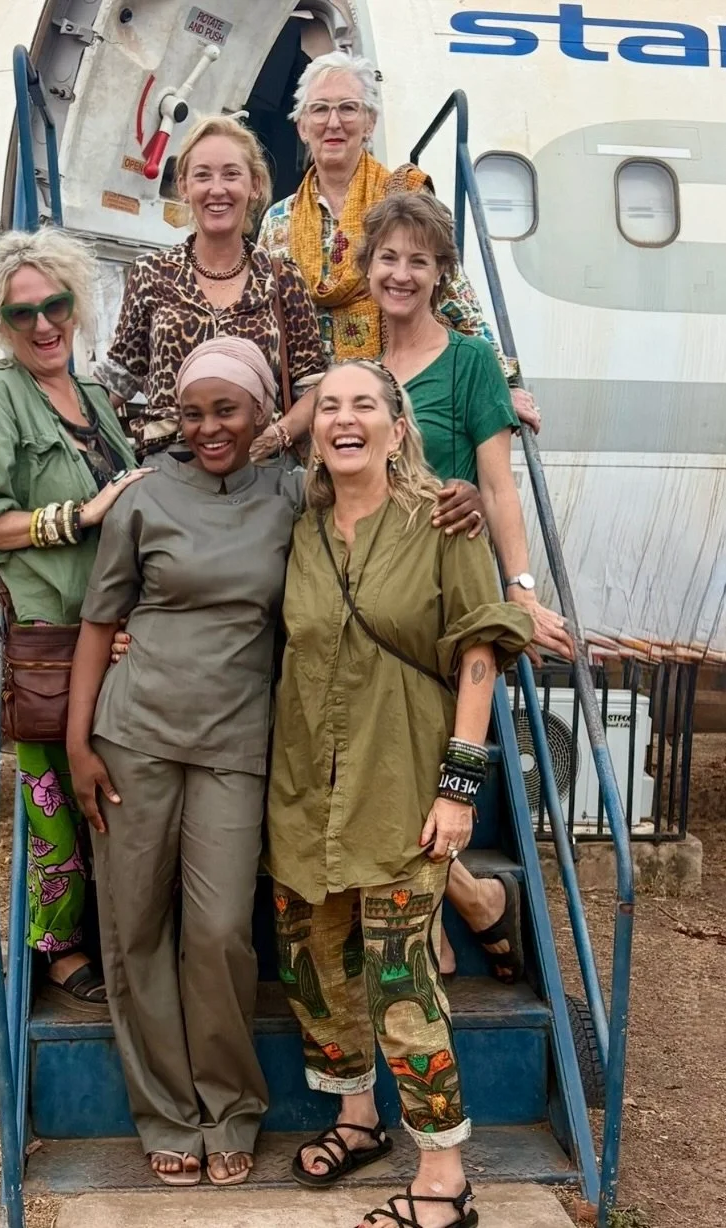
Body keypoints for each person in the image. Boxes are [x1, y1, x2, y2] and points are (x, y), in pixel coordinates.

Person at [266, 360, 533, 1228]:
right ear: (312, 430)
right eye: (328, 407)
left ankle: (444, 1179)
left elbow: (480, 652)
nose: (344, 419)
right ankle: (357, 1119)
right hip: (303, 789)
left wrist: (458, 788)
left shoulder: (444, 522)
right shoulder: (297, 528)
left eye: (363, 405)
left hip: (404, 782)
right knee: (314, 967)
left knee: (400, 981)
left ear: (396, 426)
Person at [66, 338, 303, 1188]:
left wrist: (461, 494)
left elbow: (379, 499)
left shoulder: (291, 495)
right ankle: (167, 1113)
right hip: (134, 736)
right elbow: (100, 621)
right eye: (193, 412)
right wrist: (78, 743)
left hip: (236, 743)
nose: (208, 427)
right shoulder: (144, 496)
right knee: (135, 928)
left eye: (226, 409)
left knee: (220, 932)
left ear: (261, 411)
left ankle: (230, 1108)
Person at [359, 190, 574, 979]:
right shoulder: (360, 373)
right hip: (373, 595)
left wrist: (520, 588)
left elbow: (497, 484)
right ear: (367, 268)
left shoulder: (471, 363)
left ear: (440, 273)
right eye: (388, 257)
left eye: (418, 261)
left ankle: (441, 919)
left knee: (416, 767)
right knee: (373, 768)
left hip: (444, 591)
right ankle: (470, 900)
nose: (401, 273)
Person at [0, 228, 146, 1014]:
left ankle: (109, 933)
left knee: (104, 793)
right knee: (52, 804)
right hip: (48, 633)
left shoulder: (93, 397)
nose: (42, 324)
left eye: (54, 305)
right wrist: (74, 517)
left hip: (112, 630)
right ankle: (58, 949)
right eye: (21, 313)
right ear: (0, 324)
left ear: (75, 304)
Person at [257, 49, 542, 461]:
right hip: (314, 422)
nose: (333, 122)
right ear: (302, 126)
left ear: (370, 122)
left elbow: (455, 295)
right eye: (319, 110)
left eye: (348, 108)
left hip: (396, 409)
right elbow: (268, 324)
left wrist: (505, 384)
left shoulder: (403, 197)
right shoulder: (277, 221)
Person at [91, 114, 325, 460]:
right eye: (203, 175)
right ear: (184, 186)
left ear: (255, 185)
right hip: (171, 468)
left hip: (258, 468)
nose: (217, 189)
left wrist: (276, 436)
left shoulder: (282, 279)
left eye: (231, 174)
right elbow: (118, 378)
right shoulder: (152, 274)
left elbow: (313, 386)